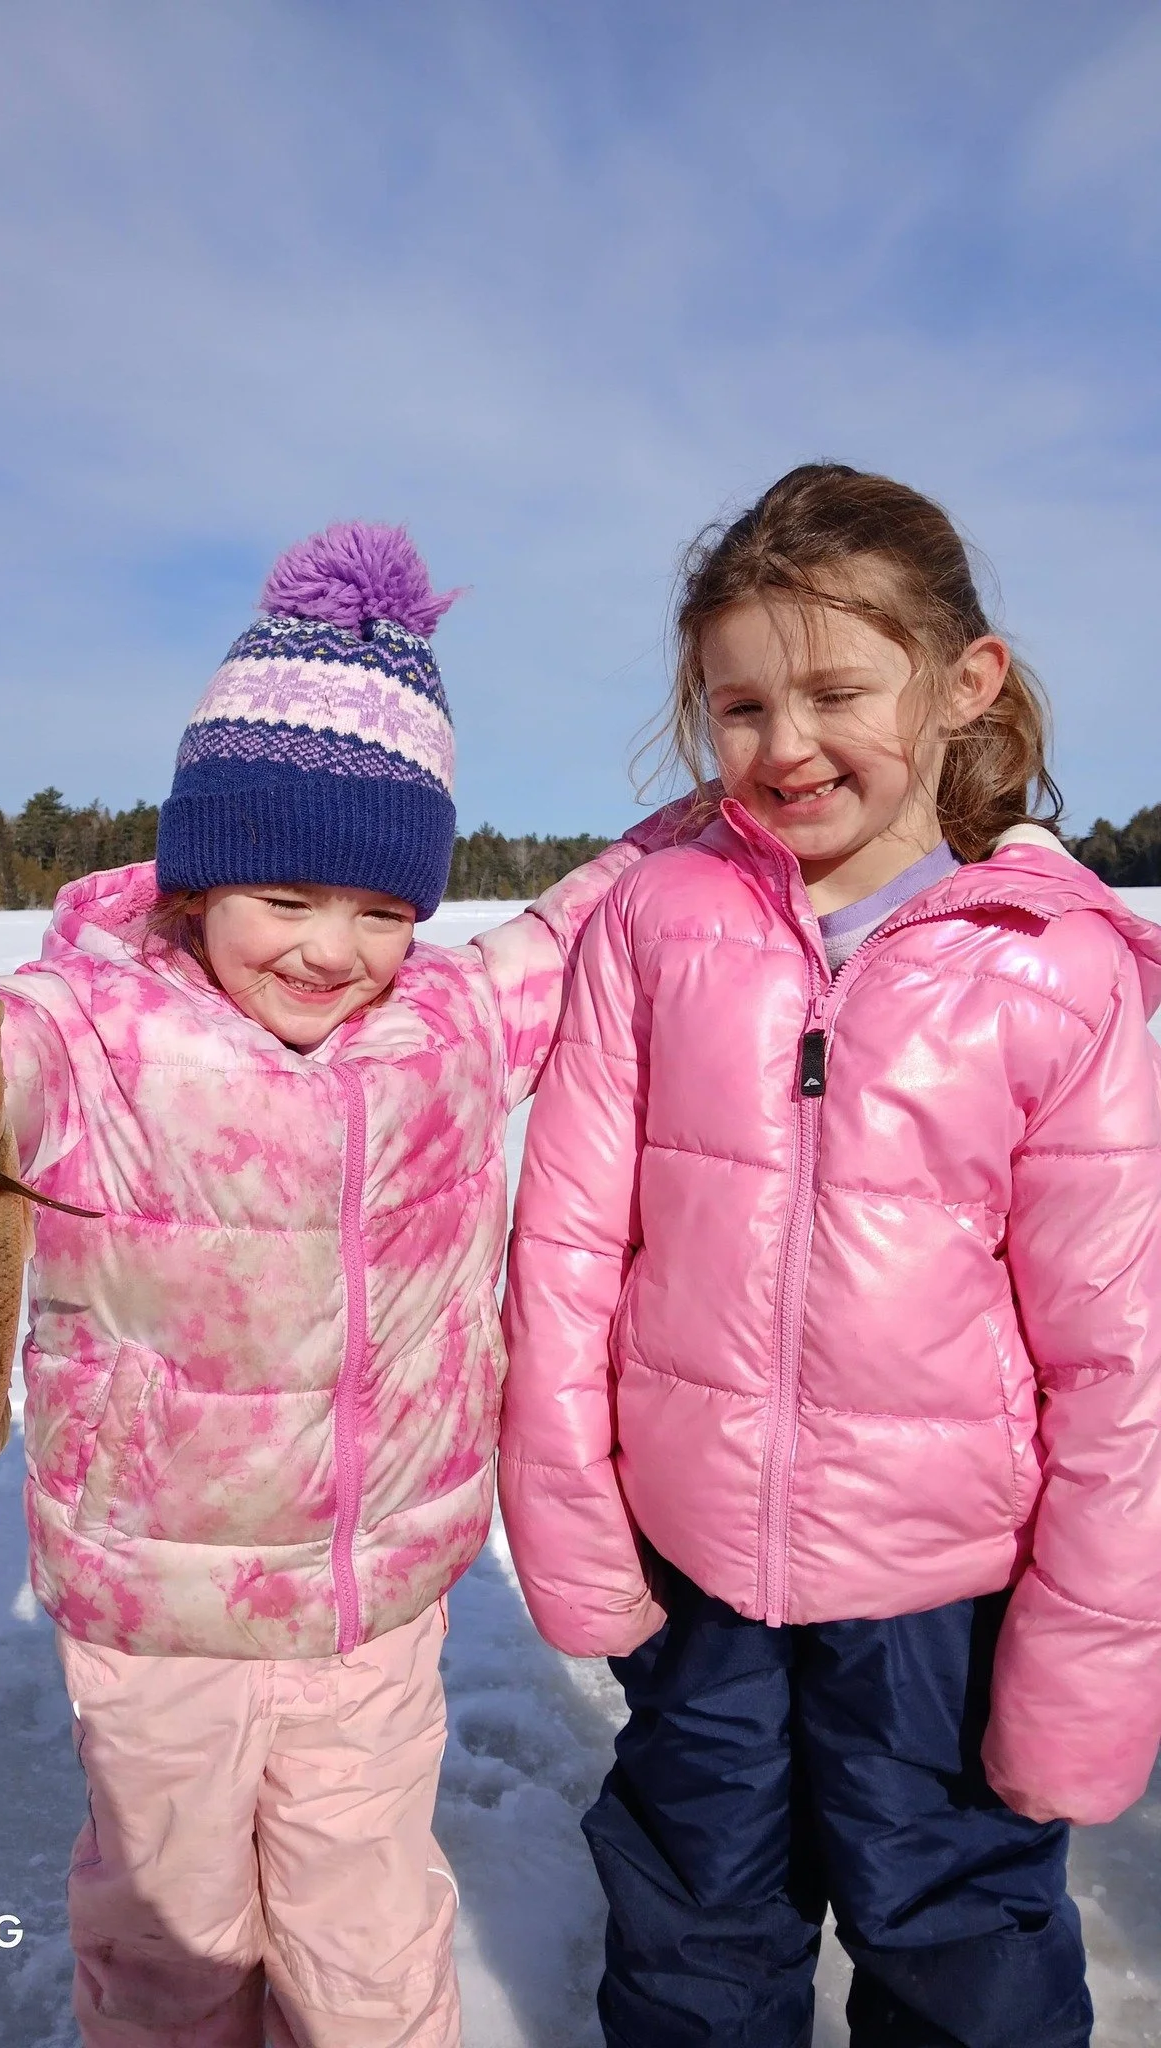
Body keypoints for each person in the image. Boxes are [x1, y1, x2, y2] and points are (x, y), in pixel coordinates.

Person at [0, 521, 677, 2048]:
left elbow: (569, 926)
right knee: (169, 1941)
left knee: (370, 1940)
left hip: (374, 1617)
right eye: (287, 899)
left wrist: (733, 805)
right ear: (196, 877)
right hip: (157, 1622)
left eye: (387, 911)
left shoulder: (448, 1025)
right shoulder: (86, 1030)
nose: (337, 952)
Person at [497, 464, 1161, 2048]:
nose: (784, 745)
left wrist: (1083, 1662)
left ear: (963, 684)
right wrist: (578, 1523)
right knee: (690, 1922)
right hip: (701, 1573)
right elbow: (570, 1248)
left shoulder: (1053, 973)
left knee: (961, 1940)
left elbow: (1114, 1355)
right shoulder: (657, 923)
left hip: (948, 1594)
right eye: (738, 706)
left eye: (835, 689)